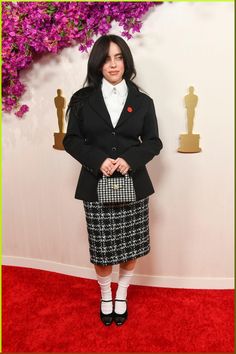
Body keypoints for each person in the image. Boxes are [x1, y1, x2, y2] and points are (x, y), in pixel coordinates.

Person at [63, 34, 163, 326]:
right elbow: (71, 140)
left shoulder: (143, 101)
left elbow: (154, 142)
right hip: (96, 185)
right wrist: (98, 160)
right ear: (97, 63)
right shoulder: (81, 100)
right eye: (107, 58)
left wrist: (130, 159)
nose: (113, 64)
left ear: (126, 61)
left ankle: (123, 295)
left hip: (133, 185)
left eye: (119, 57)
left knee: (131, 248)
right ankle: (106, 295)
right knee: (102, 251)